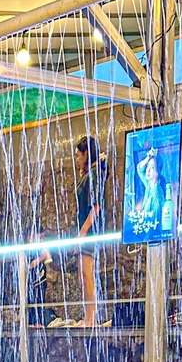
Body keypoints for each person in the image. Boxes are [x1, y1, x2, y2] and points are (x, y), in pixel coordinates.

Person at [74, 135, 105, 327]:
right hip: (87, 230)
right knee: (84, 275)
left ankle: (91, 317)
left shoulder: (94, 175)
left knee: (88, 274)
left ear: (86, 154)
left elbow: (96, 206)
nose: (76, 159)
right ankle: (88, 315)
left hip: (90, 232)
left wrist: (83, 231)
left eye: (78, 155)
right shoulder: (90, 174)